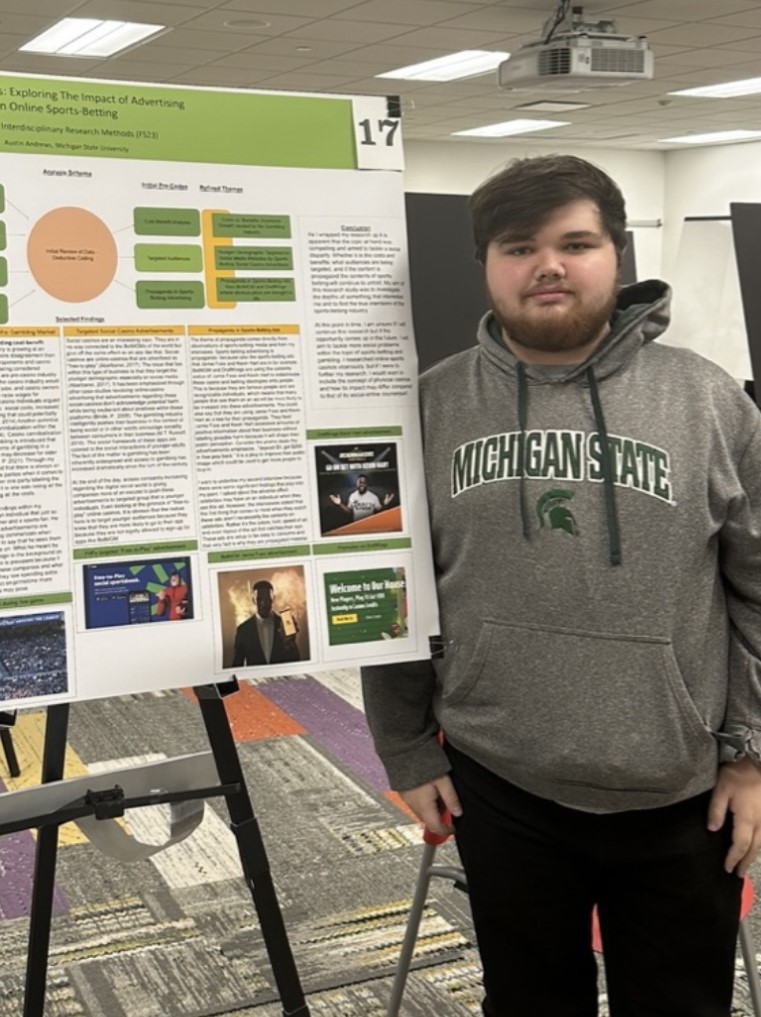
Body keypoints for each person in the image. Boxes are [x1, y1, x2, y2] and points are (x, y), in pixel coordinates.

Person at [362, 154, 761, 1017]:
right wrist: (404, 743)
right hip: (496, 780)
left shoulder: (709, 401)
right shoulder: (426, 408)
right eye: (518, 246)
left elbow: (760, 589)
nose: (547, 264)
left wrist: (753, 753)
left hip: (681, 789)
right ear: (486, 266)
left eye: (574, 243)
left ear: (615, 254)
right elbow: (390, 587)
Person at [231, 579, 300, 667]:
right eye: (259, 599)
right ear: (253, 600)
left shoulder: (285, 624)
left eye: (267, 599)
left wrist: (290, 642)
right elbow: (237, 665)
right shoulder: (243, 630)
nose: (263, 603)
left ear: (273, 599)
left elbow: (296, 659)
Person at [330, 473, 394, 521]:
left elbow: (380, 512)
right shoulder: (352, 496)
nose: (361, 484)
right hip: (356, 525)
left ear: (366, 484)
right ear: (356, 484)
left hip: (371, 525)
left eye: (364, 482)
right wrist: (340, 504)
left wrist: (385, 505)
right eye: (360, 482)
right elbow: (349, 511)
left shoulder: (373, 497)